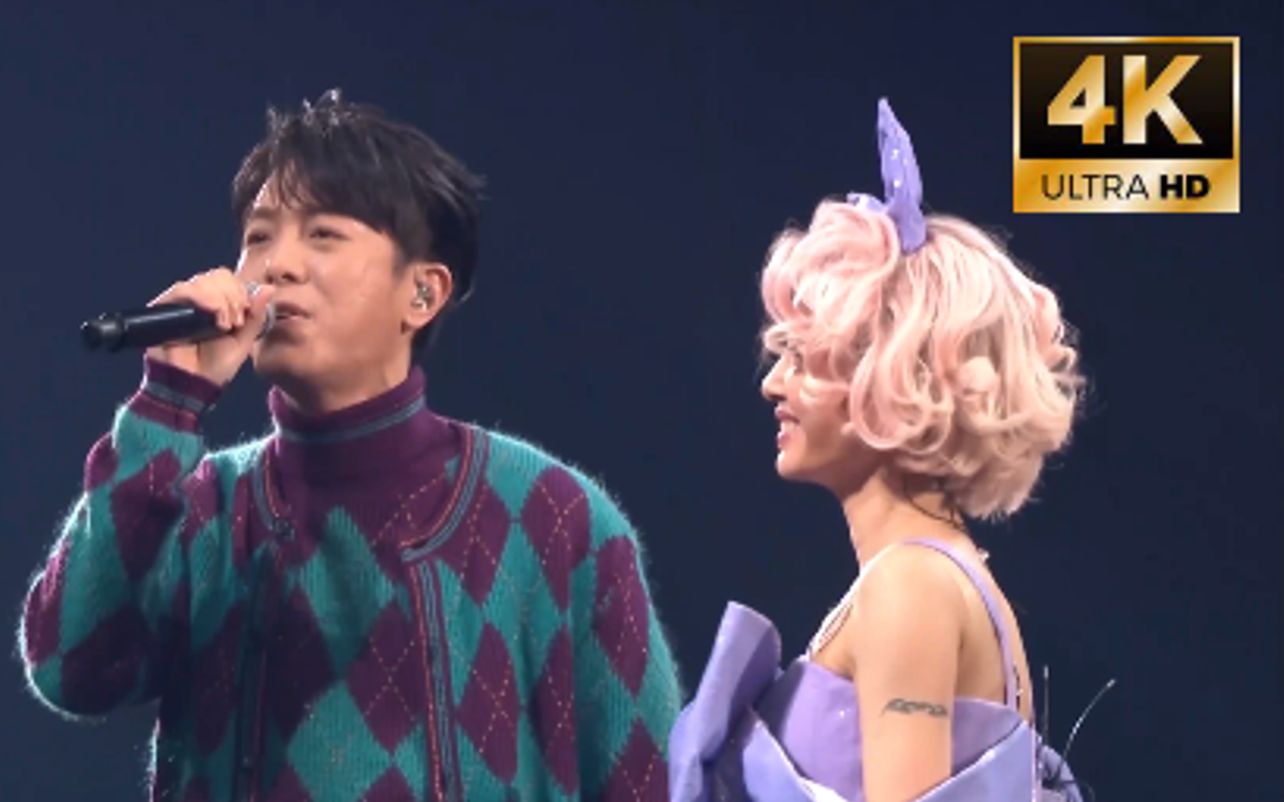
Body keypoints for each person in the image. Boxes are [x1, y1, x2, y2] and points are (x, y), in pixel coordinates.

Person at [20, 90, 680, 802]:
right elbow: (70, 671)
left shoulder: (555, 516)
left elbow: (654, 781)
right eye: (259, 237)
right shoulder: (202, 509)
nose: (277, 266)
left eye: (324, 234)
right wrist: (166, 405)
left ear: (422, 294)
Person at [668, 99, 1088, 802]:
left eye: (801, 357)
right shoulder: (926, 576)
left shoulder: (911, 585)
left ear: (891, 379)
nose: (773, 382)